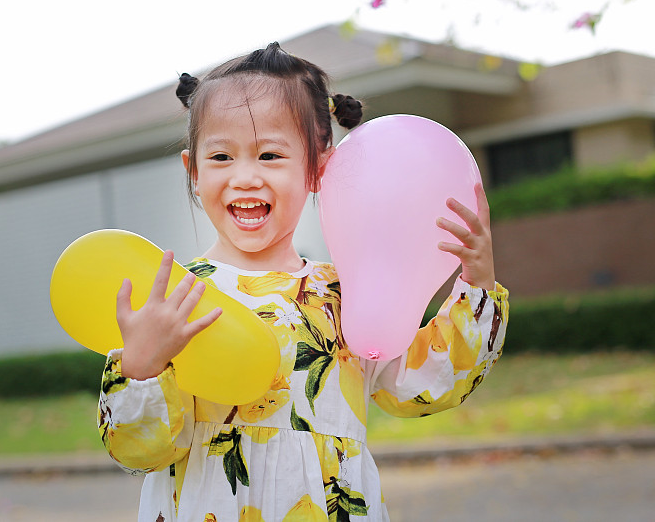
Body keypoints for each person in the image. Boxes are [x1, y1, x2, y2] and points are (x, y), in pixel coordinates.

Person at [97, 42, 509, 521]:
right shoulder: (175, 300)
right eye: (222, 157)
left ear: (319, 166)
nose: (245, 177)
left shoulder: (346, 295)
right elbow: (140, 450)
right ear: (193, 171)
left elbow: (417, 386)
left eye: (270, 155)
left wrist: (478, 289)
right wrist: (142, 367)